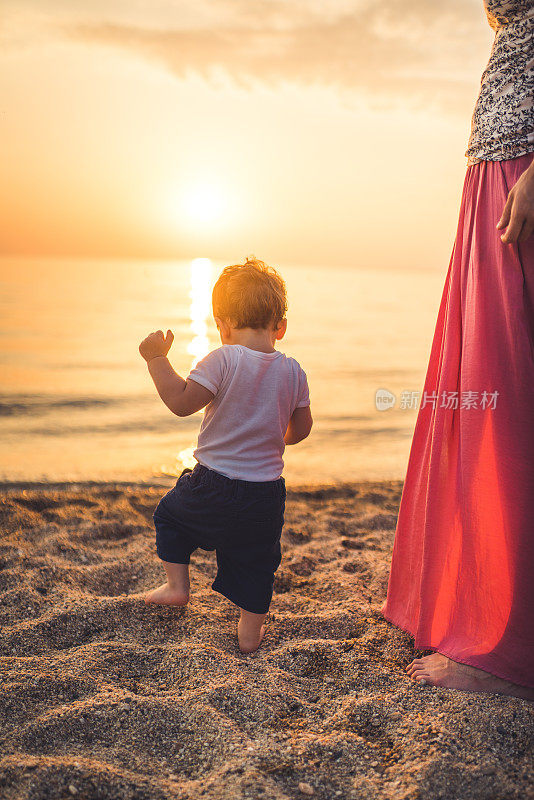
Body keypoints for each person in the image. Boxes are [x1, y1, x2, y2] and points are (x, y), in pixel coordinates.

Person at [383, 1, 534, 699]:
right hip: (494, 170)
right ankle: (477, 611)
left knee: (508, 400)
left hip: (523, 172)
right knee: (489, 395)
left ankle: (511, 649)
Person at [139, 257, 312, 654]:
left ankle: (177, 587)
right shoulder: (294, 371)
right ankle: (250, 636)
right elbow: (300, 430)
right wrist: (275, 434)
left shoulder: (223, 358)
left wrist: (156, 360)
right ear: (280, 326)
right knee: (258, 563)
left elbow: (182, 403)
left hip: (211, 484)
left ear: (223, 325)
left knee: (169, 517)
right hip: (265, 494)